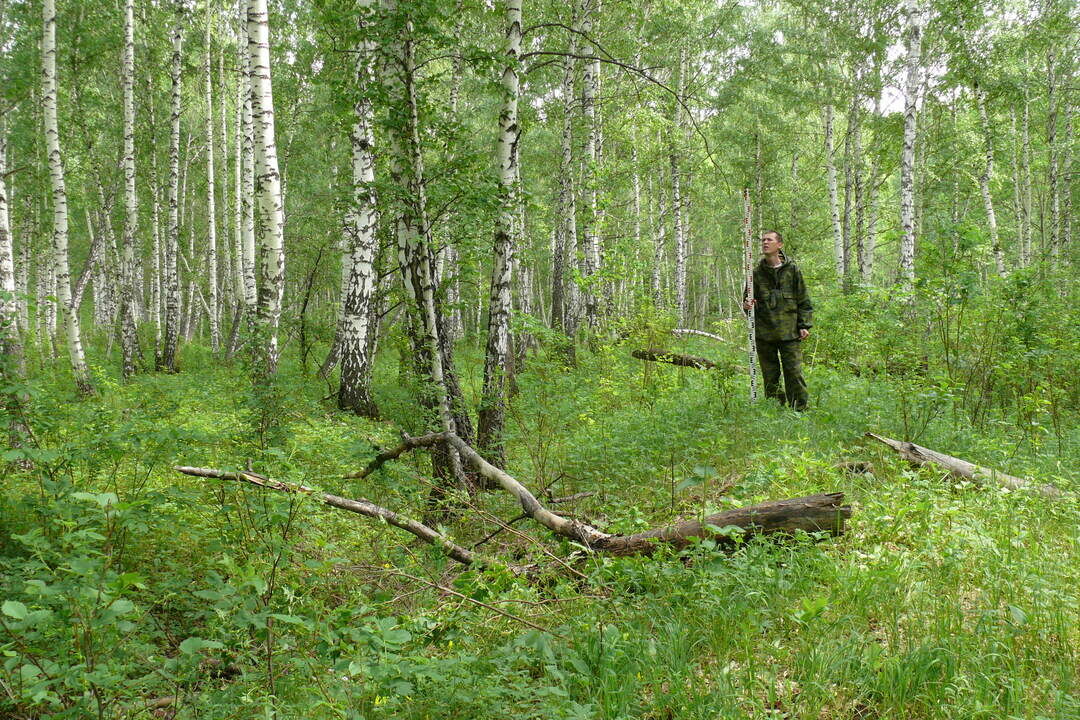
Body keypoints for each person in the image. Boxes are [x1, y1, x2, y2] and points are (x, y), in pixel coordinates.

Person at [742, 230, 813, 410]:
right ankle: (775, 410)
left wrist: (804, 325)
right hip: (765, 334)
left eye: (769, 240)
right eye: (763, 240)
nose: (765, 243)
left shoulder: (793, 270)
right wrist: (747, 306)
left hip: (789, 333)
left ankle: (799, 410)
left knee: (794, 373)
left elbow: (803, 299)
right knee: (770, 375)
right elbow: (747, 304)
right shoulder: (755, 274)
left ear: (779, 245)